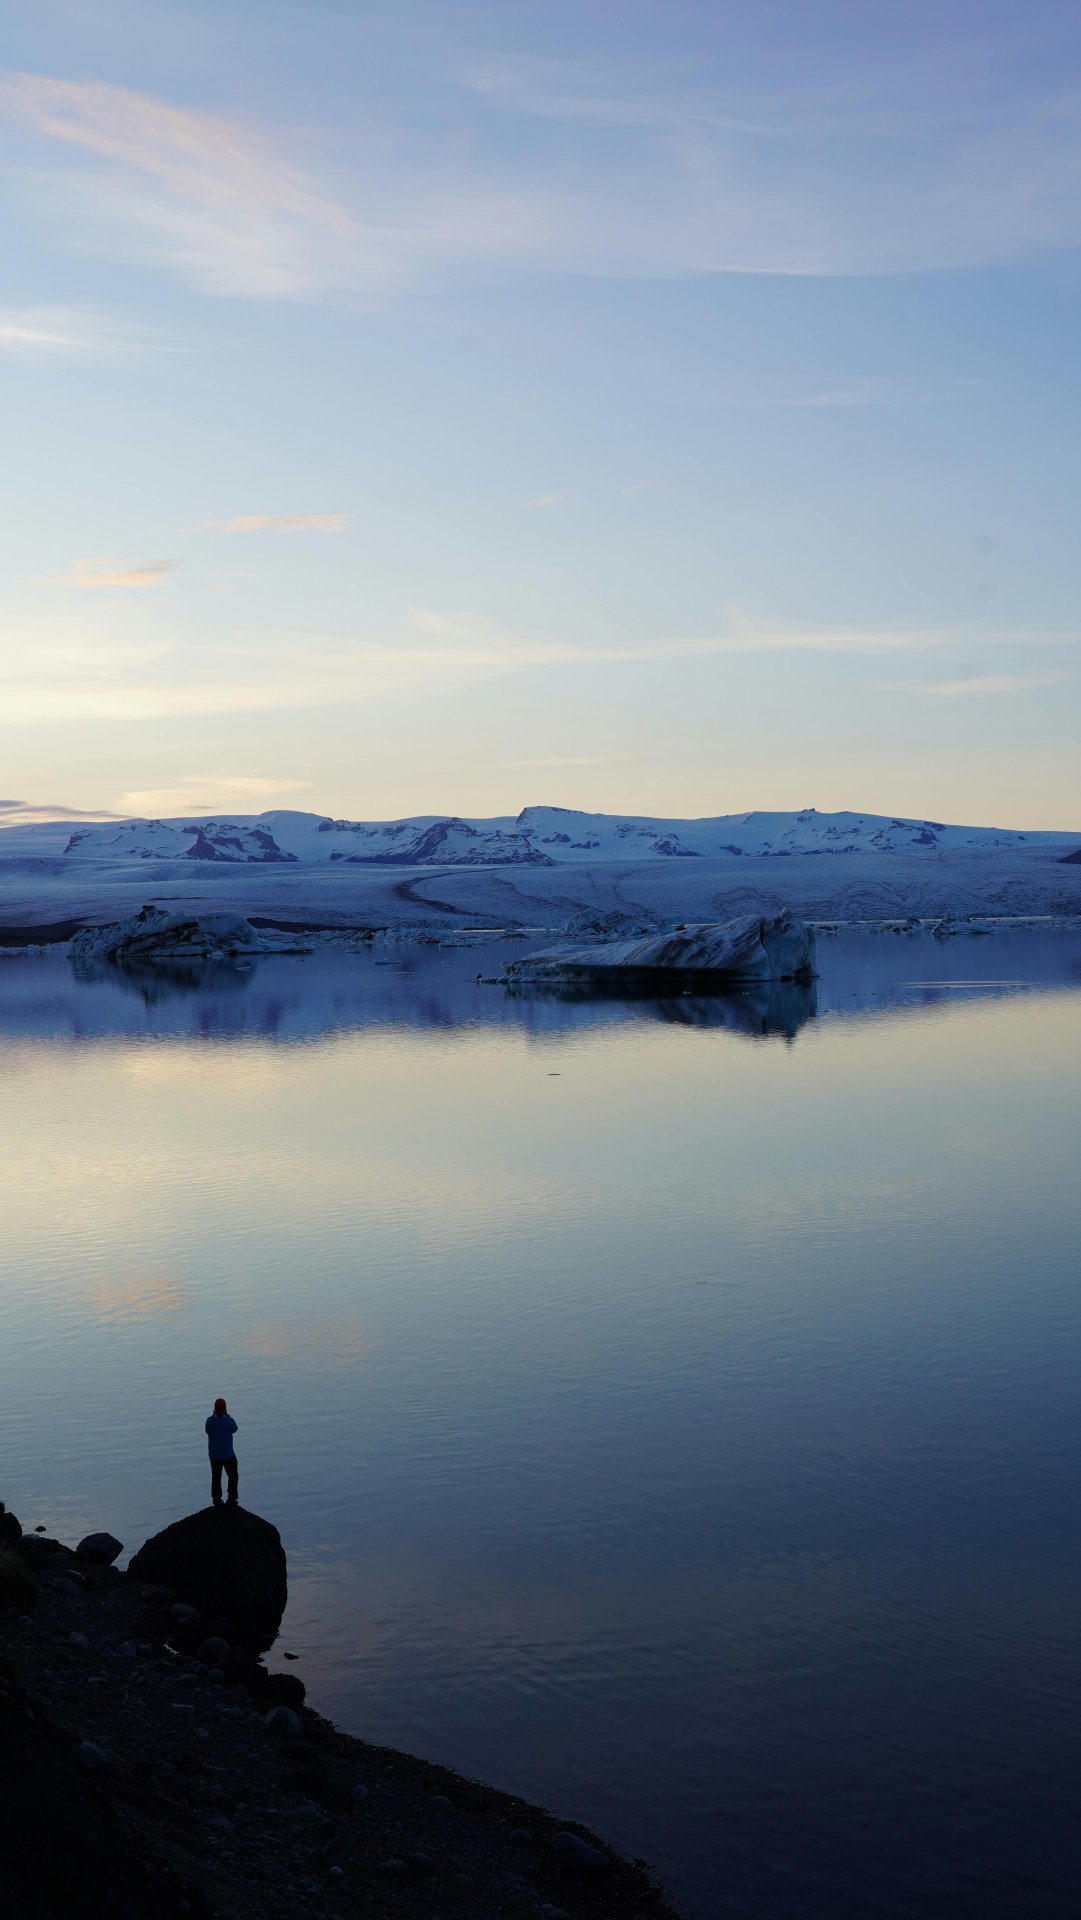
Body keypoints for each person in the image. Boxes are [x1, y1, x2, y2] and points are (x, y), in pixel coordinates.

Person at [205, 1397, 239, 1508]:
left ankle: (216, 1499)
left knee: (216, 1477)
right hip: (228, 1455)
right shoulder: (228, 1421)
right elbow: (235, 1428)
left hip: (214, 1456)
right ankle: (232, 1497)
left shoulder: (210, 1421)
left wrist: (214, 1415)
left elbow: (207, 1430)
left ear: (214, 1409)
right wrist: (227, 1416)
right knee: (233, 1475)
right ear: (225, 1409)